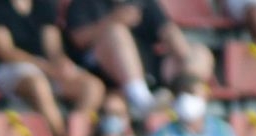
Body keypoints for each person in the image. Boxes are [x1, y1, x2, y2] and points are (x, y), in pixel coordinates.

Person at [0, 0, 103, 136]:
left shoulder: (43, 5)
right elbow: (5, 51)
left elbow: (53, 47)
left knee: (92, 86)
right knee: (38, 84)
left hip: (44, 66)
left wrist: (60, 63)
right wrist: (46, 67)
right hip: (9, 67)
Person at [62, 0, 210, 116]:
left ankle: (186, 98)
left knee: (199, 53)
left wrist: (184, 58)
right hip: (107, 73)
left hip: (150, 68)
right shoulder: (83, 3)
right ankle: (141, 100)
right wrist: (114, 19)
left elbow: (167, 30)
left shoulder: (142, 1)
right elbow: (79, 39)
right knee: (116, 31)